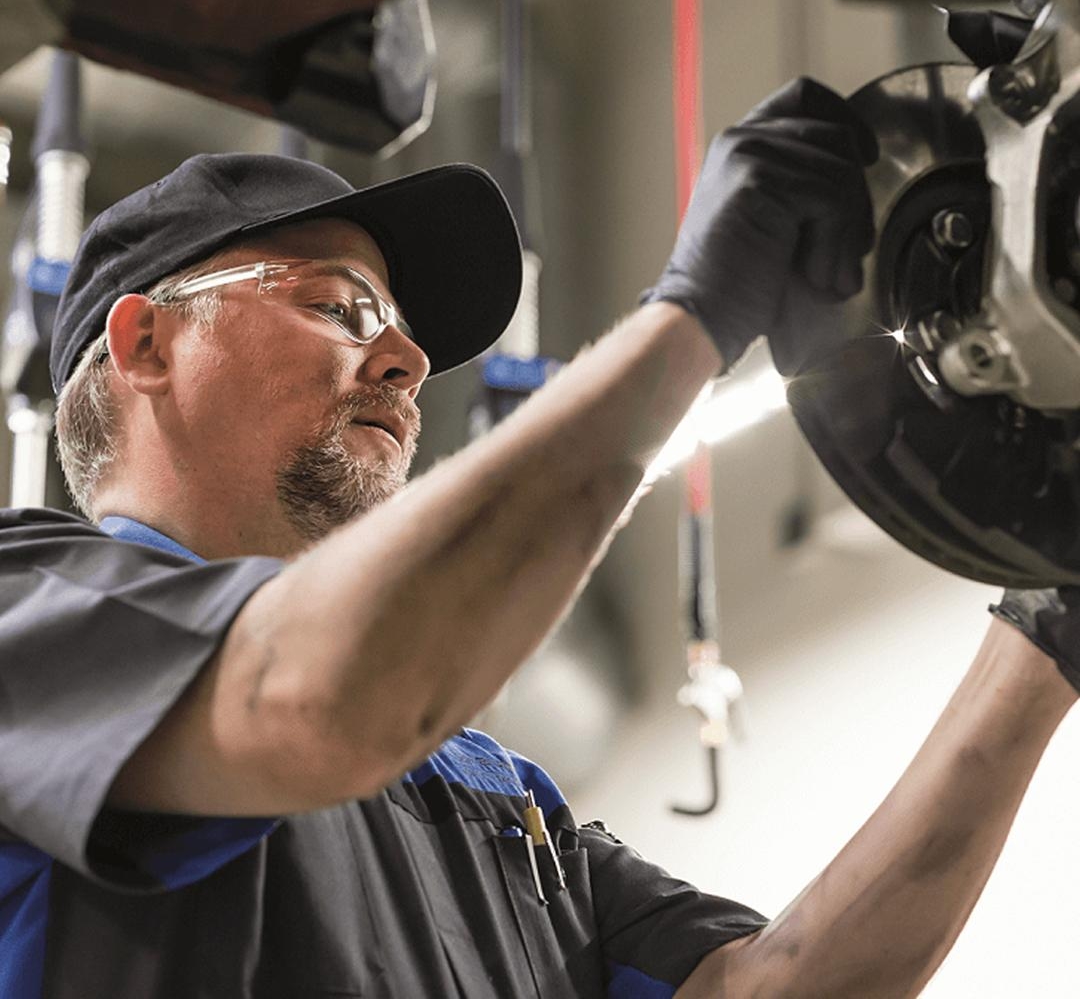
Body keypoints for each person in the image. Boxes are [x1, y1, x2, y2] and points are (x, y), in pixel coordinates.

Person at [0, 75, 1076, 999]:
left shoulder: (492, 793)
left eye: (403, 332)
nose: (407, 361)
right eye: (340, 308)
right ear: (145, 343)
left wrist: (1048, 616)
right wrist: (694, 315)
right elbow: (315, 699)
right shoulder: (32, 617)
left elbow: (779, 982)